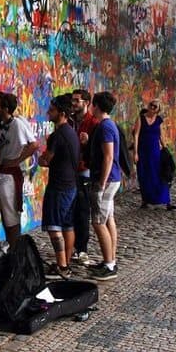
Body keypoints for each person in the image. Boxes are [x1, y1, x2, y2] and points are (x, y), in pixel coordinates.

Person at [0, 92, 39, 247]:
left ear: (6, 108)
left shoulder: (18, 124)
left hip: (9, 175)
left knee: (10, 218)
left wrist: (16, 160)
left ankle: (15, 250)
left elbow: (33, 145)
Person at [38, 95, 80, 280]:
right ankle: (66, 263)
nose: (48, 112)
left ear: (62, 113)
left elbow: (46, 159)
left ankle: (62, 266)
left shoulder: (57, 136)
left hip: (59, 186)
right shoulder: (71, 132)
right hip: (70, 185)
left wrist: (42, 158)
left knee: (55, 227)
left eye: (52, 110)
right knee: (67, 225)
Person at [87, 91, 122, 281]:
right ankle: (110, 260)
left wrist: (101, 182)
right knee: (108, 219)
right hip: (110, 179)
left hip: (106, 180)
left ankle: (109, 265)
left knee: (98, 221)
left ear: (97, 106)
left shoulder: (105, 127)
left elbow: (108, 156)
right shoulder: (108, 125)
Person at [70, 89, 97, 266]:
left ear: (86, 102)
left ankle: (82, 249)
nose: (74, 103)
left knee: (82, 211)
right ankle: (72, 247)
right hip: (70, 170)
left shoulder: (93, 123)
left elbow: (98, 150)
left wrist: (88, 143)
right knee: (71, 211)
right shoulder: (71, 121)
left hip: (84, 171)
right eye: (72, 100)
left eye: (77, 101)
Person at [133, 100, 173, 209]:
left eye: (155, 106)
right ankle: (145, 199)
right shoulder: (141, 118)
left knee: (159, 175)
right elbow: (136, 135)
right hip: (143, 151)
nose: (152, 107)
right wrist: (135, 153)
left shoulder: (158, 120)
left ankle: (165, 200)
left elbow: (161, 136)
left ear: (158, 109)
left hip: (155, 151)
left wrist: (165, 149)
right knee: (144, 175)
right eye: (151, 105)